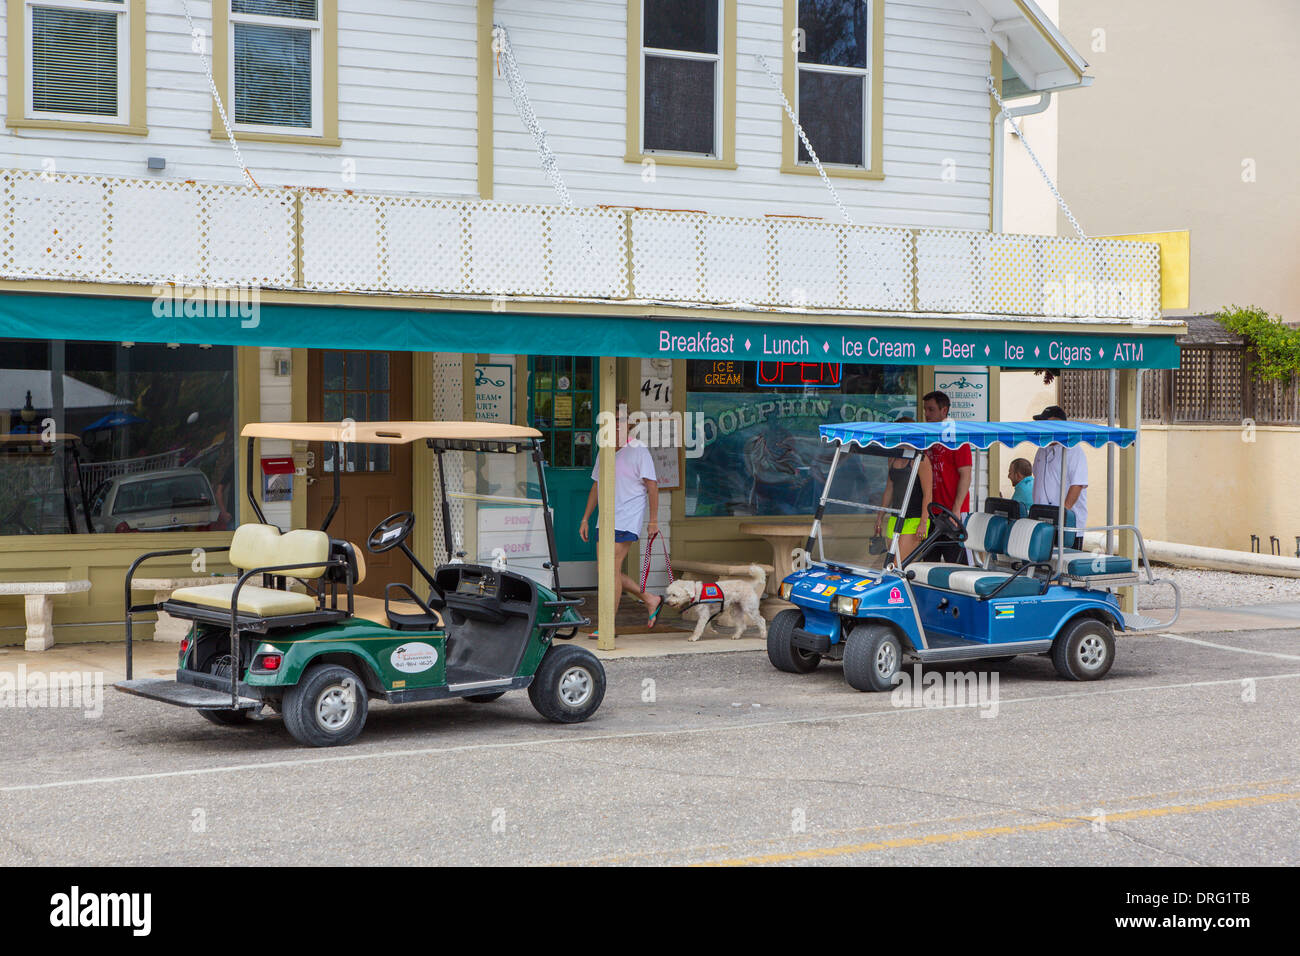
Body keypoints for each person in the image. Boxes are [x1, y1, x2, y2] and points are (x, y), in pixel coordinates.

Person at [579, 406, 662, 632]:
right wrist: (586, 518)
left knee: (611, 568)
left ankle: (608, 625)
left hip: (628, 517)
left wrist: (653, 521)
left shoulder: (638, 450)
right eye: (612, 419)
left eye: (621, 419)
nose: (616, 423)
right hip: (605, 518)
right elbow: (596, 485)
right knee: (605, 570)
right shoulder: (604, 450)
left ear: (629, 424)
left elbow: (652, 487)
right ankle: (649, 598)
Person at [922, 390, 972, 564]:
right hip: (931, 511)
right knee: (929, 562)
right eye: (925, 410)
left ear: (944, 411)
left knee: (957, 562)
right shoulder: (927, 437)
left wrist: (956, 509)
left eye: (931, 410)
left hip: (951, 512)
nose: (927, 415)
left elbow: (966, 475)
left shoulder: (957, 438)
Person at [874, 416, 932, 563]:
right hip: (896, 516)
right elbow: (889, 489)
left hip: (915, 518)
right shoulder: (893, 457)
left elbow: (928, 494)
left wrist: (923, 523)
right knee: (891, 562)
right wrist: (880, 515)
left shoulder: (921, 459)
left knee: (900, 564)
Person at [1030, 405, 1087, 547]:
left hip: (1066, 525)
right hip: (1043, 523)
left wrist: (1062, 515)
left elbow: (1077, 485)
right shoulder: (1042, 449)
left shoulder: (1074, 450)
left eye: (1046, 424)